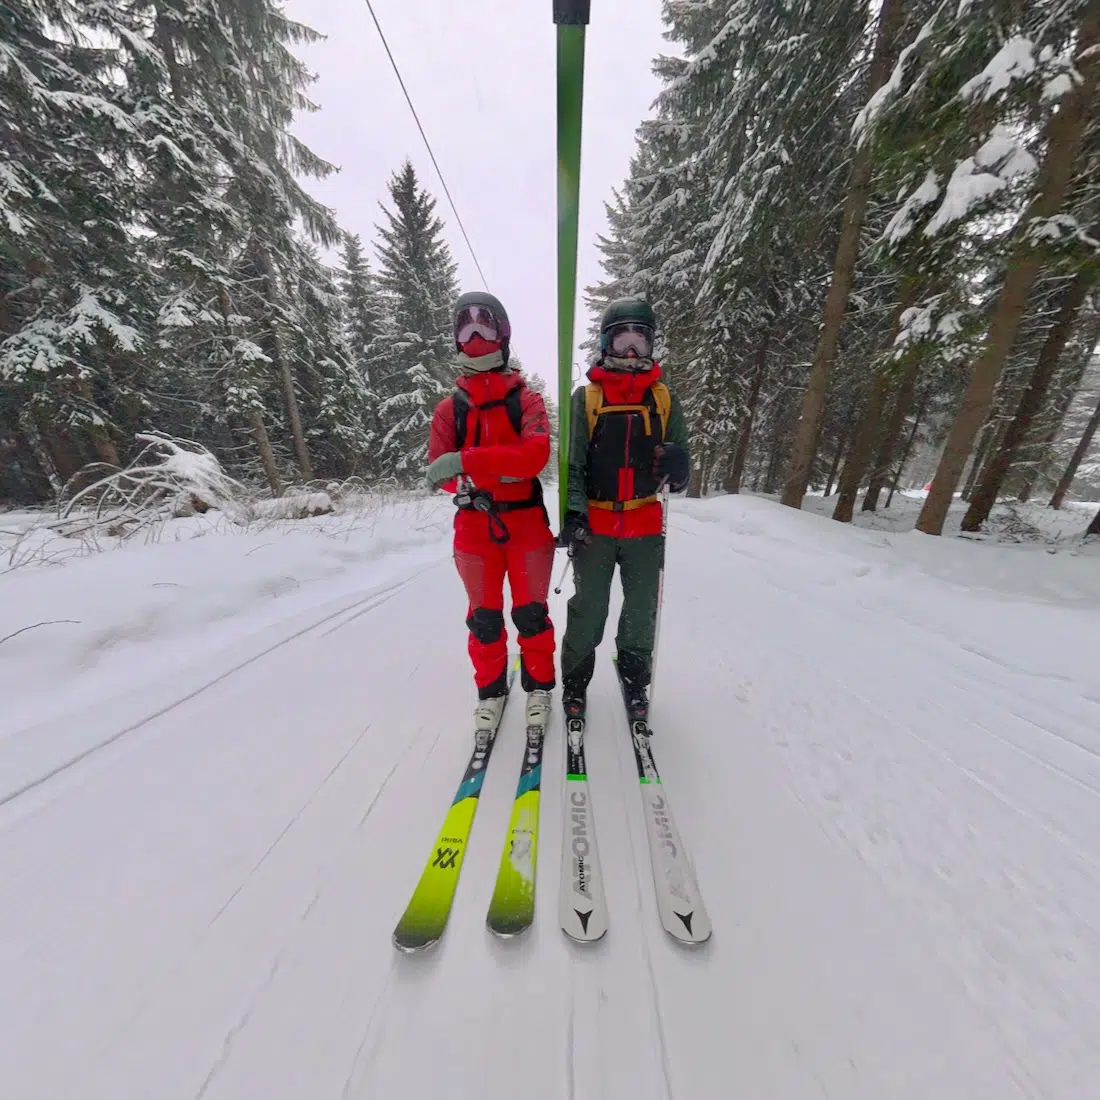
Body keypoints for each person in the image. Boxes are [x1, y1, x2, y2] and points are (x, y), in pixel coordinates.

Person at [424, 291, 556, 734]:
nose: (475, 334)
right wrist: (486, 469)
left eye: (485, 324)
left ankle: (539, 688)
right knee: (483, 619)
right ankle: (491, 693)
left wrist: (467, 461)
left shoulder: (528, 401)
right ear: (455, 339)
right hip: (475, 530)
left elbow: (533, 457)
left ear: (504, 333)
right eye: (465, 326)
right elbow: (437, 475)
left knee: (531, 613)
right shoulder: (449, 410)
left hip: (526, 527)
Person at [557, 297, 691, 722]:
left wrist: (680, 467)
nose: (631, 351)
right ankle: (576, 681)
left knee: (640, 609)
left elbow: (680, 467)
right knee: (590, 607)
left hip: (645, 521)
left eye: (640, 339)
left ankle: (636, 679)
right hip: (597, 523)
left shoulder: (664, 398)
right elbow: (573, 462)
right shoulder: (588, 397)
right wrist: (573, 513)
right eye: (622, 339)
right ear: (606, 342)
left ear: (651, 343)